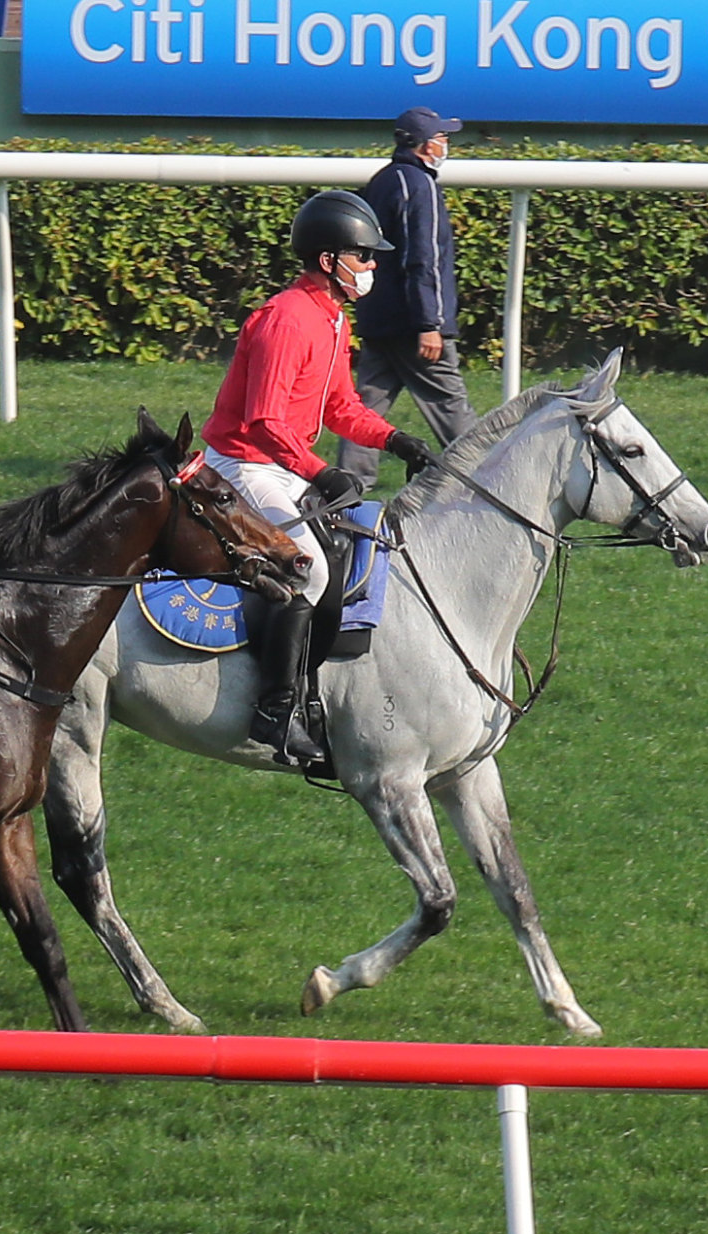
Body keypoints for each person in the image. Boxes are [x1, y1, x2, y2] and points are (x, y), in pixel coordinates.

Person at [201, 190, 434, 765]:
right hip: (242, 463)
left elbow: (340, 406)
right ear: (329, 261)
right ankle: (275, 712)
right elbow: (265, 419)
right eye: (365, 256)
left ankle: (311, 695)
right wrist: (320, 471)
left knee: (350, 558)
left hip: (279, 463)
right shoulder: (286, 319)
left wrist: (396, 438)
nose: (373, 266)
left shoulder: (331, 319)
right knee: (306, 571)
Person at [337, 106, 479, 489]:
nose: (446, 144)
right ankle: (491, 479)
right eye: (442, 138)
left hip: (377, 320)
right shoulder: (421, 186)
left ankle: (346, 489)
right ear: (423, 146)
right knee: (451, 407)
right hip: (414, 325)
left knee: (364, 409)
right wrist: (429, 324)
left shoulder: (382, 180)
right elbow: (423, 258)